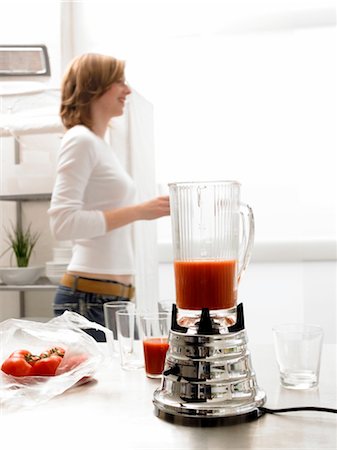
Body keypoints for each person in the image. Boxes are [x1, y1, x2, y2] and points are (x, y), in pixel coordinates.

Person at [48, 53, 170, 341]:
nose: (127, 90)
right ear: (95, 86)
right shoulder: (80, 140)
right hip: (89, 299)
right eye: (119, 82)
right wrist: (140, 210)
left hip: (105, 298)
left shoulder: (98, 144)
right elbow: (63, 223)